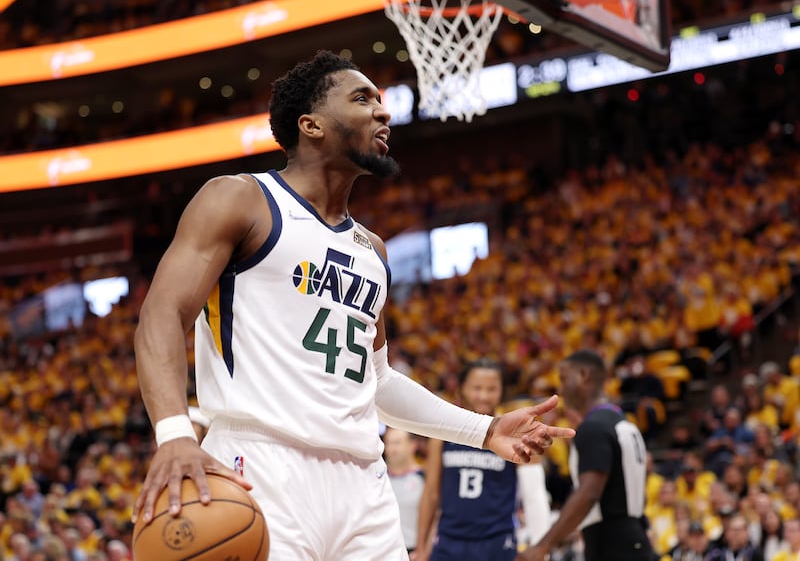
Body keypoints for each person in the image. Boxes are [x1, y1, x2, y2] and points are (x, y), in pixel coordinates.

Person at [131, 50, 575, 561]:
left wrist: (485, 429)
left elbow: (378, 382)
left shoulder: (373, 250)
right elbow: (162, 315)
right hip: (261, 464)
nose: (383, 112)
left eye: (382, 101)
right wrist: (173, 434)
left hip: (364, 481)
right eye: (363, 98)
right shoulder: (241, 199)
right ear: (311, 125)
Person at [519, 349, 655, 561]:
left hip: (613, 545)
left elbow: (588, 493)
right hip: (634, 536)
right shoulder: (624, 423)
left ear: (583, 375)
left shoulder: (594, 428)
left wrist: (542, 546)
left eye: (563, 379)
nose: (561, 389)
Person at [416, 360, 552, 561]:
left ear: (502, 391)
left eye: (492, 389)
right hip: (448, 542)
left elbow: (534, 495)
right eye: (477, 388)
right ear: (461, 389)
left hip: (497, 543)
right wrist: (421, 548)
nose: (484, 396)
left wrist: (542, 549)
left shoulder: (514, 435)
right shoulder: (443, 434)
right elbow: (431, 494)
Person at [383, 427, 425, 558]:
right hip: (383, 552)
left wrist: (423, 552)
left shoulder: (425, 478)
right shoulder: (377, 479)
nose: (392, 449)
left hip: (414, 552)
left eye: (397, 443)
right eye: (388, 443)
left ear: (412, 445)